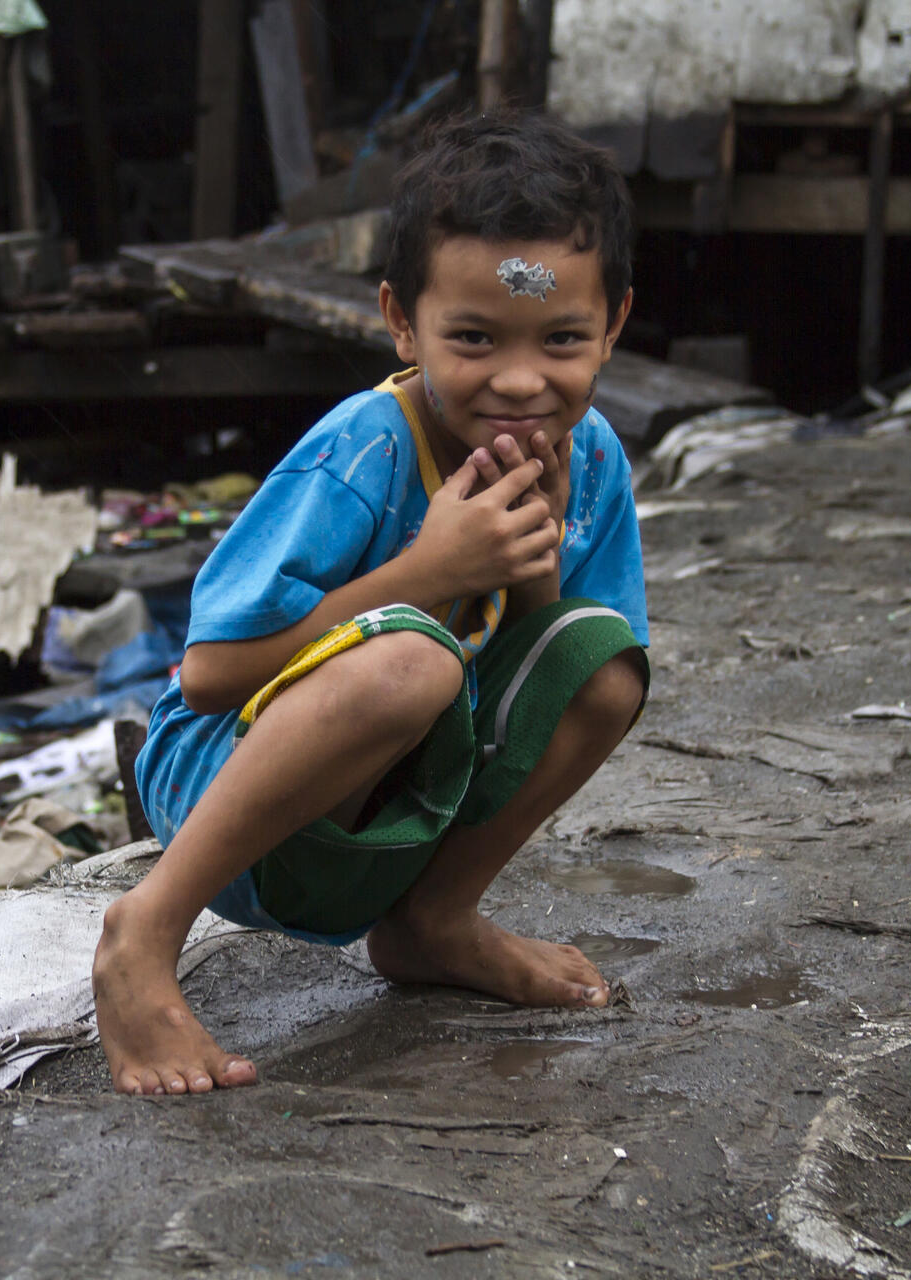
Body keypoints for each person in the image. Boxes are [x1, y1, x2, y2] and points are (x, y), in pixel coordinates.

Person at [92, 111, 650, 1096]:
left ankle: (431, 920)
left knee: (601, 661)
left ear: (611, 326)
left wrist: (532, 559)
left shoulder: (592, 460)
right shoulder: (366, 446)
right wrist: (426, 571)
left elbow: (543, 681)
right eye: (473, 337)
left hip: (395, 810)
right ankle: (144, 929)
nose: (520, 380)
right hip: (230, 796)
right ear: (400, 320)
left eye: (560, 337)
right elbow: (209, 675)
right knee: (413, 659)